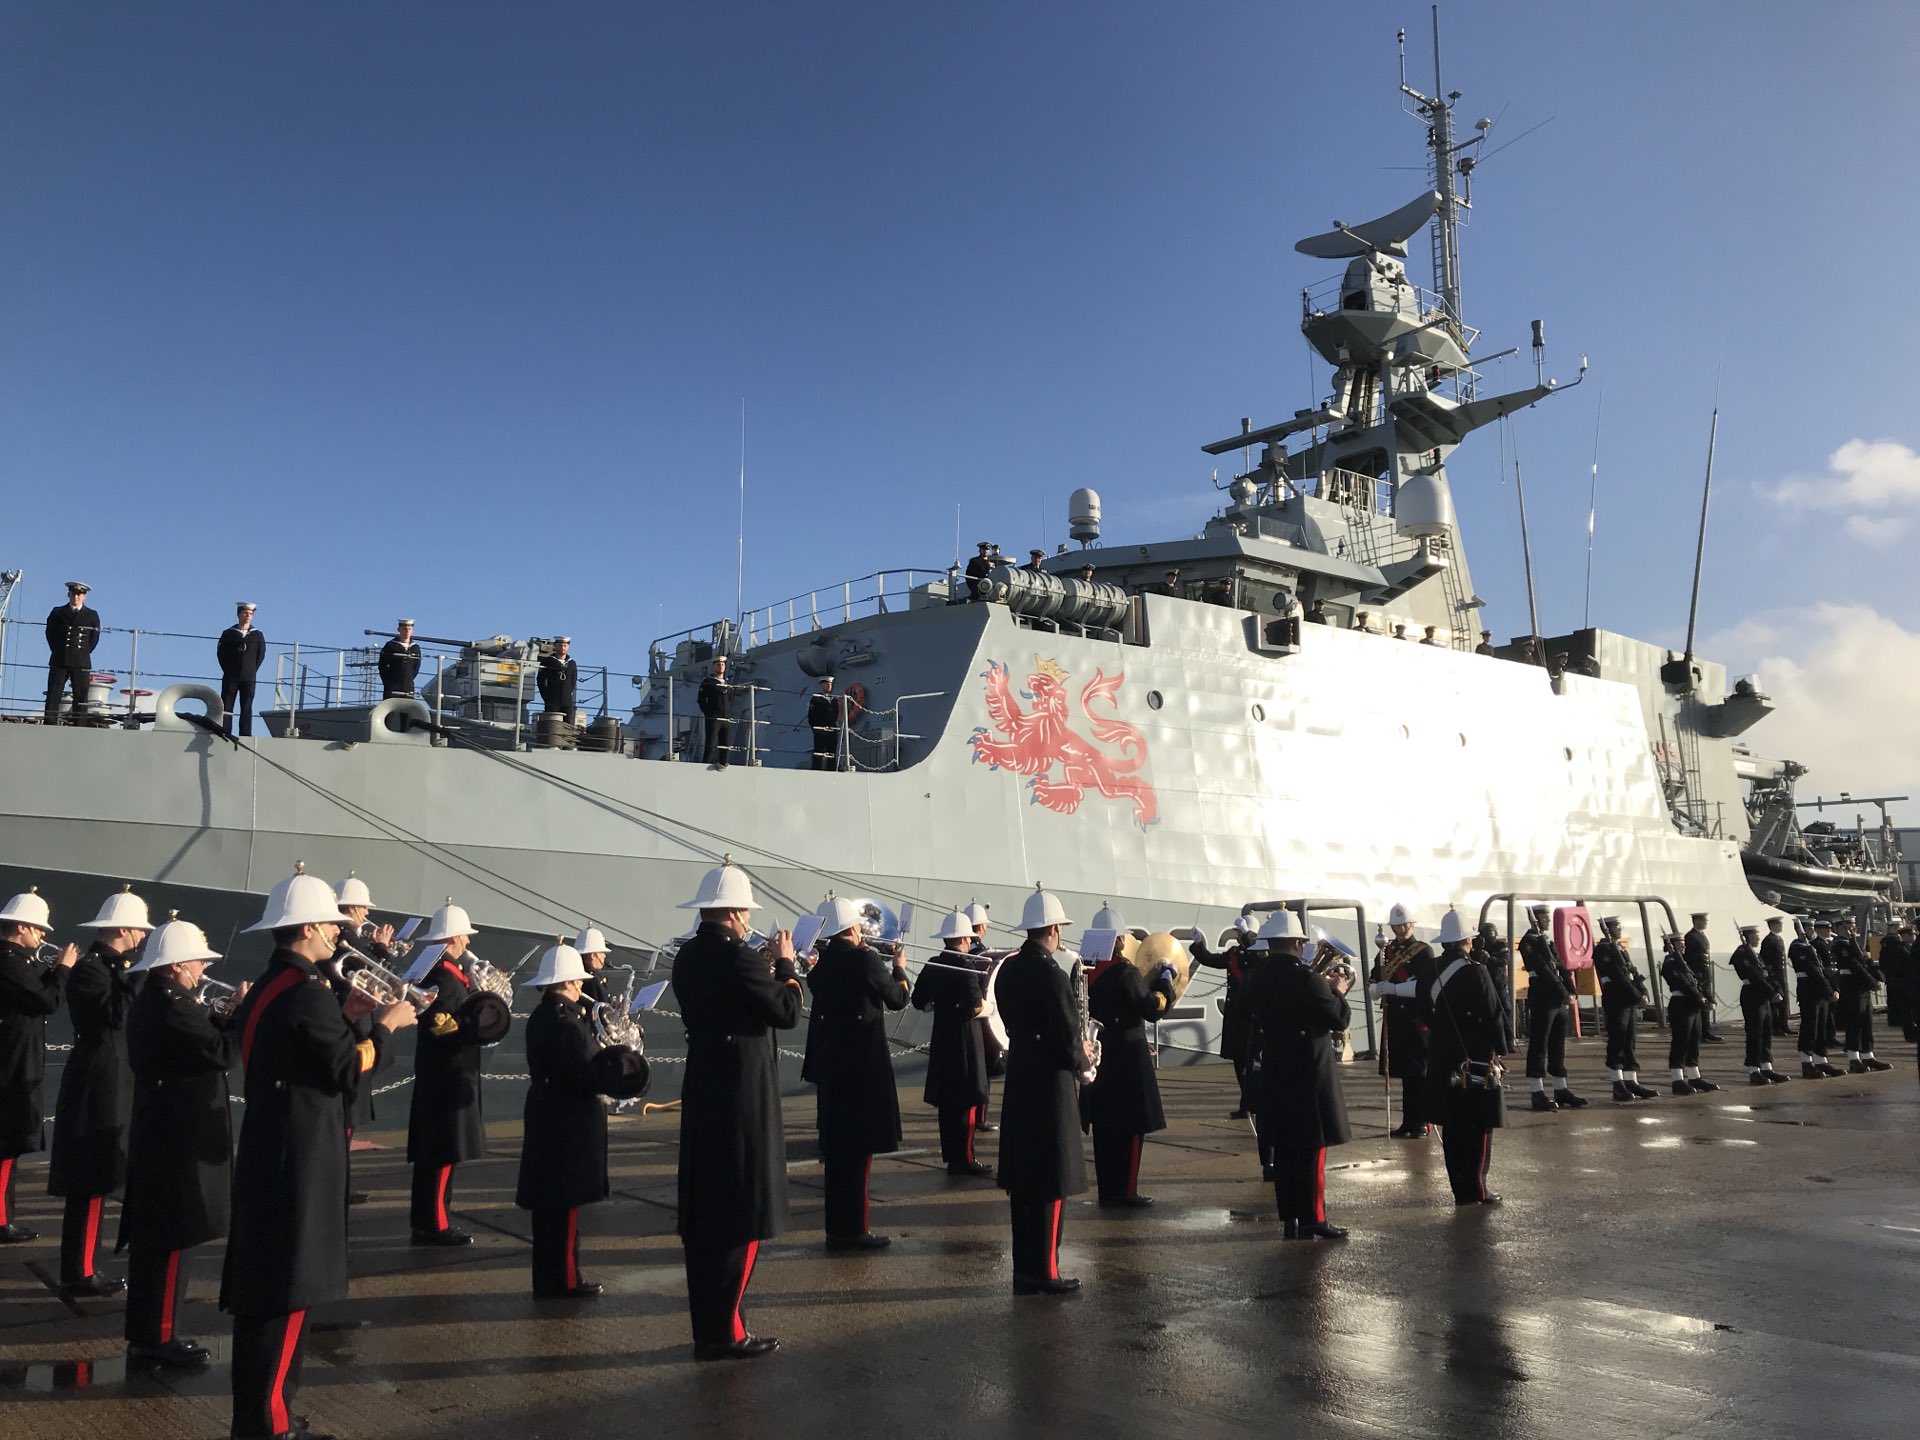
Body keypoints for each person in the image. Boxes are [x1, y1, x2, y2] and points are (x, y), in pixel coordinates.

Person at [221, 867, 414, 1440]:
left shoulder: (274, 984)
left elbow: (306, 1051)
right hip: (301, 1157)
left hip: (274, 1146)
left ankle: (262, 1415)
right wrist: (385, 1027)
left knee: (268, 1294)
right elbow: (345, 1068)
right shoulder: (306, 991)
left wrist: (348, 1015)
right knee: (290, 1292)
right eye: (329, 924)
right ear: (306, 928)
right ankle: (270, 1424)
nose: (337, 933)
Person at [671, 859, 801, 1359]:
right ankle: (726, 1331)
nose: (748, 920)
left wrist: (762, 970)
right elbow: (786, 1012)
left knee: (709, 1209)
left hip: (705, 1085)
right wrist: (785, 967)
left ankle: (710, 1326)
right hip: (743, 1094)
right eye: (745, 912)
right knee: (742, 1209)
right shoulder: (740, 958)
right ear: (734, 913)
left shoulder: (687, 957)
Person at [122, 916, 242, 1368]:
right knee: (173, 1239)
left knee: (160, 1241)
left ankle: (149, 1333)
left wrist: (221, 1017)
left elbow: (200, 1041)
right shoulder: (173, 1005)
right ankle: (159, 1337)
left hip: (164, 1130)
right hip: (176, 1137)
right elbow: (220, 1052)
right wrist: (241, 1015)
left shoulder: (162, 1000)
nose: (202, 968)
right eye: (196, 961)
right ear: (175, 966)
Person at [516, 941, 650, 1299]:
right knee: (563, 1209)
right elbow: (585, 1073)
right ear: (568, 982)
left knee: (551, 1210)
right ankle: (564, 1282)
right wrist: (620, 1064)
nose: (581, 986)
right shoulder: (567, 1024)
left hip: (550, 1116)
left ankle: (552, 1279)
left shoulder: (547, 1016)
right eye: (577, 981)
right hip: (567, 1123)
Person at [50, 886, 153, 1296]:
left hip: (113, 1076)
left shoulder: (113, 967)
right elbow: (115, 1015)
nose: (144, 936)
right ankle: (80, 1270)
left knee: (99, 1176)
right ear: (122, 930)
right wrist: (141, 973)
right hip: (97, 1081)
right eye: (139, 930)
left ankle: (83, 1265)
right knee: (90, 1179)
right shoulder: (92, 968)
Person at [995, 886, 1090, 1290]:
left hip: (1021, 1080)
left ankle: (1024, 1268)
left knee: (1024, 1183)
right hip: (1051, 1087)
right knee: (1052, 1178)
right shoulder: (1052, 974)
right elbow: (1067, 1038)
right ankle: (1046, 1272)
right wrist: (1084, 1058)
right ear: (1052, 929)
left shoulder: (1008, 969)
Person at [803, 896, 910, 1250]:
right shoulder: (865, 959)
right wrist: (899, 970)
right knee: (859, 1155)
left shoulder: (820, 967)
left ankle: (836, 1228)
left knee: (836, 1155)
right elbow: (897, 999)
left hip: (833, 1069)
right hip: (862, 1069)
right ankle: (854, 1230)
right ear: (852, 927)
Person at [1244, 908, 1352, 1239]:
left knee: (1286, 1150)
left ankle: (1290, 1216)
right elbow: (1338, 1019)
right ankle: (1314, 1218)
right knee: (1312, 1149)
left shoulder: (1256, 977)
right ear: (1296, 943)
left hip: (1276, 1071)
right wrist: (1338, 990)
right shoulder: (1308, 979)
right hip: (1308, 1074)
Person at [407, 900, 498, 1244]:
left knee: (437, 1155)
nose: (468, 942)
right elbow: (444, 1026)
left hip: (442, 1075)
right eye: (464, 936)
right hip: (447, 1076)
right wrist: (480, 1020)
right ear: (452, 939)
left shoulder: (443, 973)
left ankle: (429, 1220)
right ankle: (435, 1224)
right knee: (442, 1154)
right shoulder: (444, 978)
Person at [1082, 911, 1177, 1207]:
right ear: (1119, 940)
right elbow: (1152, 1008)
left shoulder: (1084, 971)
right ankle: (1125, 1191)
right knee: (1131, 1129)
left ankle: (1107, 1189)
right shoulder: (1125, 972)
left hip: (1099, 1058)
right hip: (1127, 1060)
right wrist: (1165, 981)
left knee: (1105, 1129)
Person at [0, 889, 78, 1243]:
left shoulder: (18, 961)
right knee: (5, 1146)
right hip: (10, 1066)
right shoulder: (9, 961)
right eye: (38, 928)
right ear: (21, 927)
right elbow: (47, 1001)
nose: (43, 934)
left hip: (16, 1061)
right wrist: (62, 969)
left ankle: (5, 1216)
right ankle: (1, 1220)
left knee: (10, 1146)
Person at [1421, 910, 1509, 1205]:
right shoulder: (1477, 971)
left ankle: (1459, 1188)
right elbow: (1494, 1014)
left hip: (1442, 1058)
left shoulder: (1430, 969)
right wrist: (1500, 1050)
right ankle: (1477, 1188)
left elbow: (1424, 1013)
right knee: (1479, 1125)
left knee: (1453, 1125)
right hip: (1475, 1059)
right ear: (1468, 941)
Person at [910, 910, 992, 1177]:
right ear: (965, 939)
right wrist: (991, 1008)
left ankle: (952, 1155)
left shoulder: (933, 964)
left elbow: (918, 1000)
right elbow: (974, 1006)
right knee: (968, 1101)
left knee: (948, 1102)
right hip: (966, 1040)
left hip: (942, 1038)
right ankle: (964, 1158)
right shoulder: (965, 966)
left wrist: (939, 1004)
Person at [1368, 903, 1434, 1138]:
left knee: (1420, 1073)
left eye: (1404, 924)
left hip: (1416, 1019)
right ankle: (1408, 1121)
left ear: (1411, 924)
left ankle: (1422, 1121)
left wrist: (1395, 989)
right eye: (1397, 925)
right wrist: (1376, 989)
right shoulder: (1386, 951)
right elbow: (1374, 977)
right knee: (1407, 1074)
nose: (1401, 928)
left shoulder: (1423, 951)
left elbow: (1425, 985)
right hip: (1396, 1019)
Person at [1518, 904, 1586, 1111]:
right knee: (1539, 1045)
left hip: (1558, 1000)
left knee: (1558, 1046)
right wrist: (1563, 993)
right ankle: (1537, 1092)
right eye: (1545, 917)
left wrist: (1572, 990)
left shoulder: (1546, 940)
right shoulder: (1528, 942)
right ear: (1536, 919)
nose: (1548, 921)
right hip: (1544, 999)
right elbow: (1543, 969)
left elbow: (1560, 965)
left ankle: (1560, 1088)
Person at [1189, 916, 1256, 1118]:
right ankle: (1247, 1103)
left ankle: (1252, 1102)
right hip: (1235, 1016)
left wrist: (1248, 936)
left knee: (1251, 1064)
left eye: (1240, 932)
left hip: (1251, 1018)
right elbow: (1210, 959)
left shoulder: (1259, 954)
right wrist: (1198, 944)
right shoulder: (1233, 953)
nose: (1237, 935)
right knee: (1239, 1062)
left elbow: (1255, 959)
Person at [1591, 916, 1657, 1101]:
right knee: (1617, 1040)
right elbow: (1618, 976)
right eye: (1616, 927)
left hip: (1628, 1001)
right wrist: (1637, 995)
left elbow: (1631, 971)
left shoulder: (1619, 948)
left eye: (1620, 926)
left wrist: (1643, 990)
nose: (1619, 929)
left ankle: (1631, 1081)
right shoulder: (1603, 949)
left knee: (1629, 1041)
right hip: (1616, 1000)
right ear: (1608, 929)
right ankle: (1617, 1083)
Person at [1659, 932, 1718, 1094]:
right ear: (1671, 945)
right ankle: (1677, 1079)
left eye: (1683, 943)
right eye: (1680, 943)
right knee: (1681, 1042)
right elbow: (1682, 983)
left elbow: (1695, 982)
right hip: (1681, 1004)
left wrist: (1708, 998)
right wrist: (1700, 998)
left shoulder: (1683, 961)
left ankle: (1694, 1076)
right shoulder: (1670, 962)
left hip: (1693, 1005)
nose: (1683, 946)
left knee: (1694, 1041)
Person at [1829, 917, 1890, 1072]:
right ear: (1839, 929)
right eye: (1848, 927)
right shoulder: (1840, 944)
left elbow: (1866, 961)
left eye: (1853, 927)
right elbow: (1855, 965)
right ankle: (1853, 1058)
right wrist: (1873, 982)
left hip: (1862, 986)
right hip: (1851, 986)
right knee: (1854, 1023)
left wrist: (1879, 977)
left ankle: (1868, 1055)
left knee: (1866, 1022)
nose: (1852, 930)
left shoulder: (1853, 943)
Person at [1731, 923, 1789, 1085]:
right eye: (1755, 935)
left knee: (1766, 1032)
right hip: (1752, 995)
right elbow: (1755, 976)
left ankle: (1766, 1066)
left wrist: (1778, 990)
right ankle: (1754, 1070)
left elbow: (1768, 973)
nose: (1758, 938)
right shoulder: (1742, 953)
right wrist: (1772, 992)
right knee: (1755, 1034)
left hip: (1763, 996)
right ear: (1748, 936)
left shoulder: (1755, 955)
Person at [965, 900, 1003, 1131]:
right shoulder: (984, 954)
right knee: (983, 1072)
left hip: (959, 1021)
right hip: (981, 1018)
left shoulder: (960, 954)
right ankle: (980, 1117)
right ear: (980, 926)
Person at [1790, 919, 1845, 1079]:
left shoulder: (1811, 946)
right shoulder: (1797, 947)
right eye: (1808, 928)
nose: (1812, 931)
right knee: (1810, 1028)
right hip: (1809, 991)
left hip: (1820, 992)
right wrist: (1829, 990)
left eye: (1812, 928)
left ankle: (1821, 1060)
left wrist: (1833, 988)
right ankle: (1806, 1063)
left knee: (1821, 1028)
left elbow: (1822, 969)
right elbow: (1812, 970)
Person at [44, 580, 101, 725]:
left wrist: (83, 653)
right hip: (60, 658)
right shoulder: (57, 612)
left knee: (81, 695)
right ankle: (49, 722)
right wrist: (58, 650)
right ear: (69, 594)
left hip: (81, 660)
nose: (76, 597)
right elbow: (50, 634)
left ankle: (79, 725)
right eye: (74, 594)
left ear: (84, 596)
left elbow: (94, 639)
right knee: (54, 693)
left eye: (79, 595)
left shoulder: (91, 615)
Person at [217, 603, 266, 738]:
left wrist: (250, 670)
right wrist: (229, 669)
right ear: (239, 614)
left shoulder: (257, 635)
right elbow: (221, 654)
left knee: (246, 705)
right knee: (227, 704)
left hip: (248, 677)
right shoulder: (228, 634)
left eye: (251, 613)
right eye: (245, 613)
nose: (248, 616)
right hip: (231, 675)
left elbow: (260, 655)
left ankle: (245, 734)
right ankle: (224, 730)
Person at [1684, 912, 1723, 1042]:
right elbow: (1690, 957)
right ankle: (1700, 1032)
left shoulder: (1701, 935)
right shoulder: (1691, 937)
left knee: (1706, 1001)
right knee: (1700, 1001)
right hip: (1698, 973)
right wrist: (1695, 974)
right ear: (1697, 921)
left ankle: (1706, 1031)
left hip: (1705, 972)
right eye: (1704, 920)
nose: (1706, 922)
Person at [1881, 919, 1917, 1042]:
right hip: (1904, 983)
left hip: (1909, 983)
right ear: (1904, 936)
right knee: (1907, 1010)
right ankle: (1909, 1034)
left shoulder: (1909, 947)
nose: (1913, 936)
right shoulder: (1900, 949)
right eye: (1910, 934)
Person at [1759, 916, 1794, 1039]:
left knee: (1784, 1001)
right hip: (1774, 975)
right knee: (1775, 1002)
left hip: (1781, 974)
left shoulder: (1778, 939)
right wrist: (1771, 975)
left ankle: (1784, 1025)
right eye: (1779, 924)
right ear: (1773, 925)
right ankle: (1775, 1027)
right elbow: (1765, 959)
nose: (1781, 926)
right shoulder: (1769, 940)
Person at [698, 654, 735, 768]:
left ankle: (723, 764)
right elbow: (701, 700)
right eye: (718, 664)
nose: (721, 666)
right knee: (711, 743)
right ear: (714, 666)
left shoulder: (728, 684)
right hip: (714, 717)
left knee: (726, 744)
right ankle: (705, 764)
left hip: (726, 718)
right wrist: (708, 713)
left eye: (723, 664)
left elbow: (730, 699)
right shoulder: (708, 682)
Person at [808, 676, 845, 772]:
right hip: (820, 730)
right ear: (822, 685)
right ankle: (816, 770)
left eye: (830, 684)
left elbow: (836, 715)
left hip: (832, 730)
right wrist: (816, 730)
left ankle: (831, 770)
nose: (829, 686)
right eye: (827, 684)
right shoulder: (816, 699)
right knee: (819, 752)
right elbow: (811, 717)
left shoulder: (834, 700)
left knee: (832, 752)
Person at [378, 619, 422, 699]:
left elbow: (416, 667)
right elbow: (382, 666)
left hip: (408, 687)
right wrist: (388, 682)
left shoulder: (415, 648)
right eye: (405, 629)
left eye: (409, 629)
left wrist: (409, 678)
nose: (407, 631)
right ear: (399, 630)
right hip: (392, 686)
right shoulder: (390, 646)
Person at [536, 636, 578, 716]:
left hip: (567, 701)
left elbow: (573, 680)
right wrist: (546, 697)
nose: (562, 648)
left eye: (565, 646)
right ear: (555, 646)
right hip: (552, 700)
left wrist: (568, 693)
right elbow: (540, 680)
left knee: (569, 722)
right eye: (560, 645)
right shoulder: (547, 662)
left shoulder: (572, 663)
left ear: (568, 647)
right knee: (551, 720)